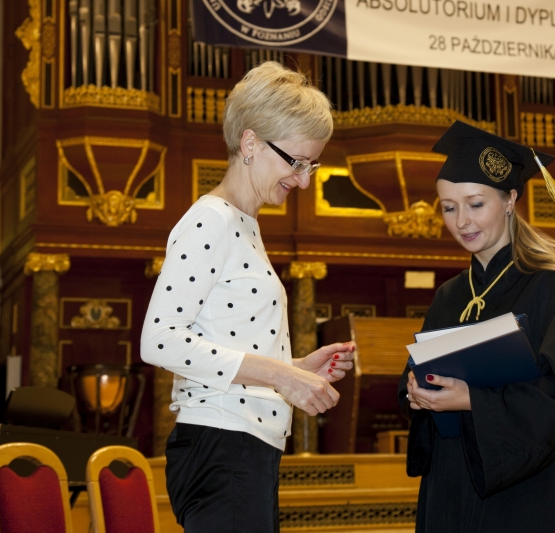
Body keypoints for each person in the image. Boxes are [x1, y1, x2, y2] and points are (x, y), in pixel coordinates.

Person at [140, 61, 355, 533]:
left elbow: (227, 340)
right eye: (296, 162)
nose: (303, 180)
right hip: (222, 446)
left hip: (242, 446)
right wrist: (280, 375)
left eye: (311, 165)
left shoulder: (244, 224)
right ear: (251, 143)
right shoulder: (211, 219)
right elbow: (159, 340)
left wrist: (295, 367)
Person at [398, 120, 555, 532]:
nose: (462, 221)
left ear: (510, 199)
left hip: (520, 494)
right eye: (449, 207)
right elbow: (414, 379)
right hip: (447, 484)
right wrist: (416, 392)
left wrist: (473, 400)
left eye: (475, 204)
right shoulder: (449, 295)